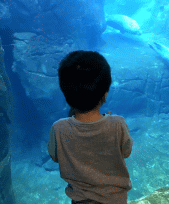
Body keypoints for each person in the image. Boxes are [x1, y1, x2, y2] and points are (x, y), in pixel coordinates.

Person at [47, 51, 133, 204]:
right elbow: (126, 152)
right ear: (105, 95)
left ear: (66, 96)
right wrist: (108, 123)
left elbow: (55, 156)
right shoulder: (118, 124)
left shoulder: (58, 128)